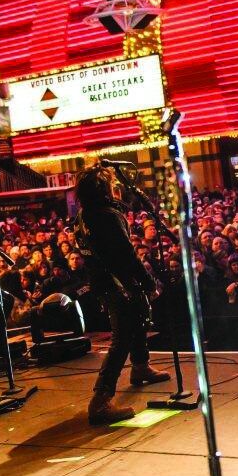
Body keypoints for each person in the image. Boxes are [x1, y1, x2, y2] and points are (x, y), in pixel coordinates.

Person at [74, 165, 170, 425]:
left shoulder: (85, 215)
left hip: (103, 282)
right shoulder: (107, 215)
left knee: (135, 320)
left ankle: (140, 366)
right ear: (104, 188)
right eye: (111, 184)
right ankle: (100, 400)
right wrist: (148, 282)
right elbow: (126, 255)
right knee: (123, 336)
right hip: (119, 283)